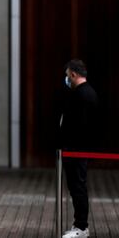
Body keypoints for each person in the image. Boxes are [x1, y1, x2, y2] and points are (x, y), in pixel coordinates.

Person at [59, 59, 98, 238]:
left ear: (73, 74)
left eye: (67, 75)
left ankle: (81, 227)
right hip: (77, 149)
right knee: (76, 187)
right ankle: (79, 225)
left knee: (78, 187)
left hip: (77, 149)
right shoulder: (87, 93)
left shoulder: (81, 95)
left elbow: (78, 125)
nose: (67, 79)